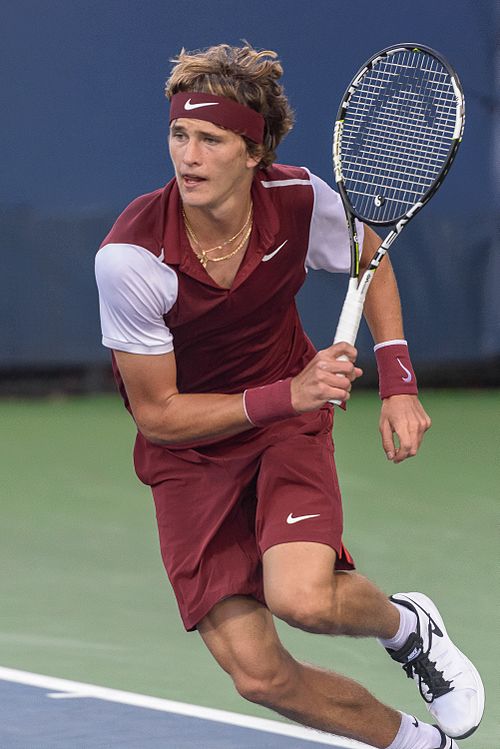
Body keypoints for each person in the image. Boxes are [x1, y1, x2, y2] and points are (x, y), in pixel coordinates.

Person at [95, 44, 484, 749]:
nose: (190, 156)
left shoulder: (298, 202)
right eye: (180, 134)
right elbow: (158, 414)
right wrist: (289, 393)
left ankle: (406, 628)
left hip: (286, 432)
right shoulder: (132, 259)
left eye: (212, 139)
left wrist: (398, 382)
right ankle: (416, 743)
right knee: (259, 676)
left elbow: (372, 257)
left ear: (255, 152)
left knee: (302, 596)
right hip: (191, 454)